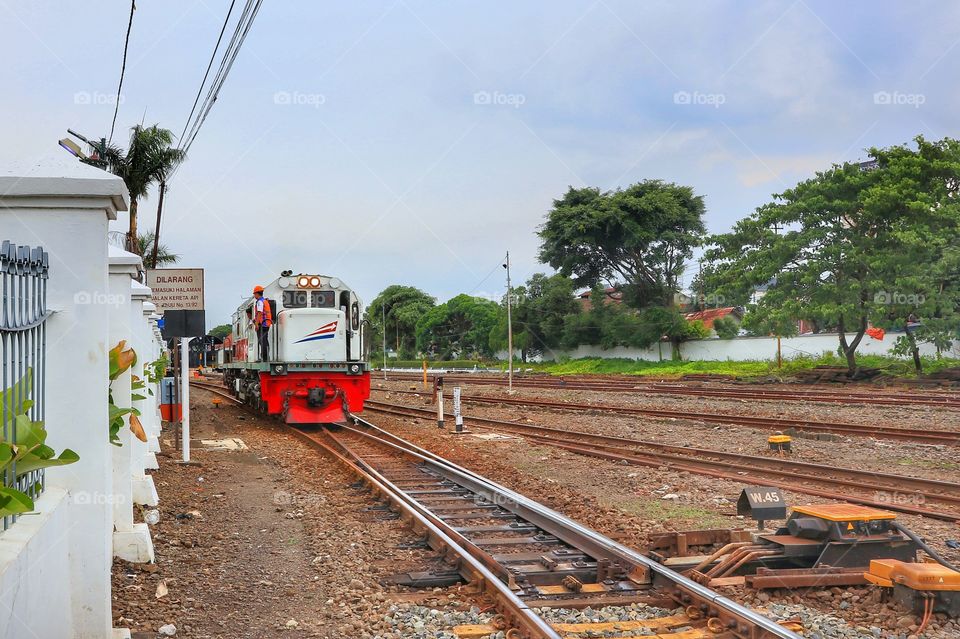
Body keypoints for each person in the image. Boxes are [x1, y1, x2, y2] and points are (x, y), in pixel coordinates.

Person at [253, 285, 272, 362]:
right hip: (267, 323)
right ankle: (266, 357)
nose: (254, 295)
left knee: (262, 341)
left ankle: (264, 358)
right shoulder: (265, 301)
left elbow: (260, 313)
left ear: (257, 293)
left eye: (254, 293)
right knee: (265, 340)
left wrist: (256, 324)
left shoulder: (260, 302)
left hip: (262, 324)